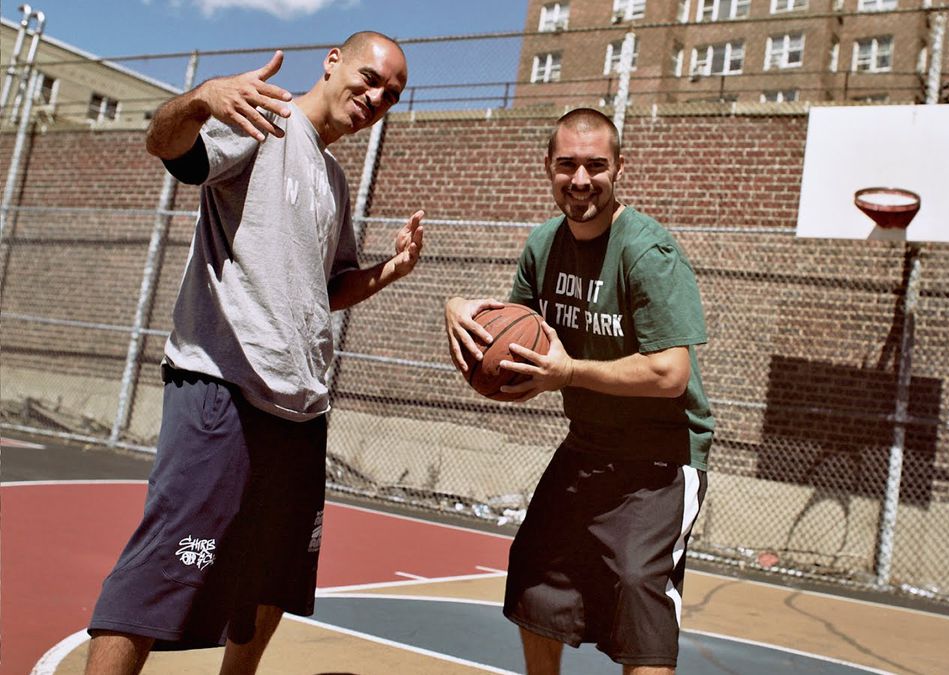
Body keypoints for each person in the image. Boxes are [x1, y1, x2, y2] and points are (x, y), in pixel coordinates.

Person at [86, 32, 423, 675]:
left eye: (392, 93)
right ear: (332, 62)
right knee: (164, 569)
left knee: (273, 580)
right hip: (222, 388)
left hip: (298, 409)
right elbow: (165, 145)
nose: (378, 97)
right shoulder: (264, 119)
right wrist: (203, 98)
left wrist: (389, 270)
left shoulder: (331, 177)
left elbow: (325, 290)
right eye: (371, 77)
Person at [445, 108, 714, 674]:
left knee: (639, 594)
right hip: (589, 444)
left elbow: (670, 374)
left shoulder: (647, 252)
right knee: (535, 573)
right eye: (567, 164)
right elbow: (518, 329)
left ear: (619, 168)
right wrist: (459, 309)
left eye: (596, 165)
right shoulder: (544, 245)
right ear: (548, 167)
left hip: (660, 457)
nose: (581, 179)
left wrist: (568, 373)